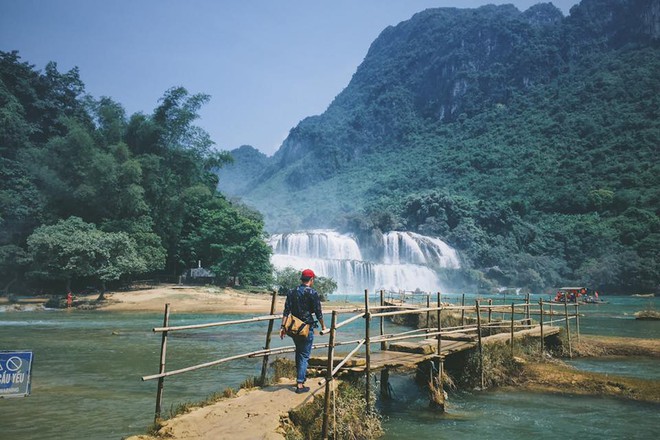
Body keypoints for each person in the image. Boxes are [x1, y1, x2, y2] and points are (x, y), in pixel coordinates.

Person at [280, 268, 326, 393]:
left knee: (299, 353)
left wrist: (283, 327)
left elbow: (286, 311)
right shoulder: (313, 293)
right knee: (305, 355)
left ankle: (300, 378)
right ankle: (300, 384)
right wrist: (323, 326)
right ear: (311, 280)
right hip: (306, 327)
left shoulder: (291, 292)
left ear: (302, 279)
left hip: (294, 328)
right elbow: (318, 312)